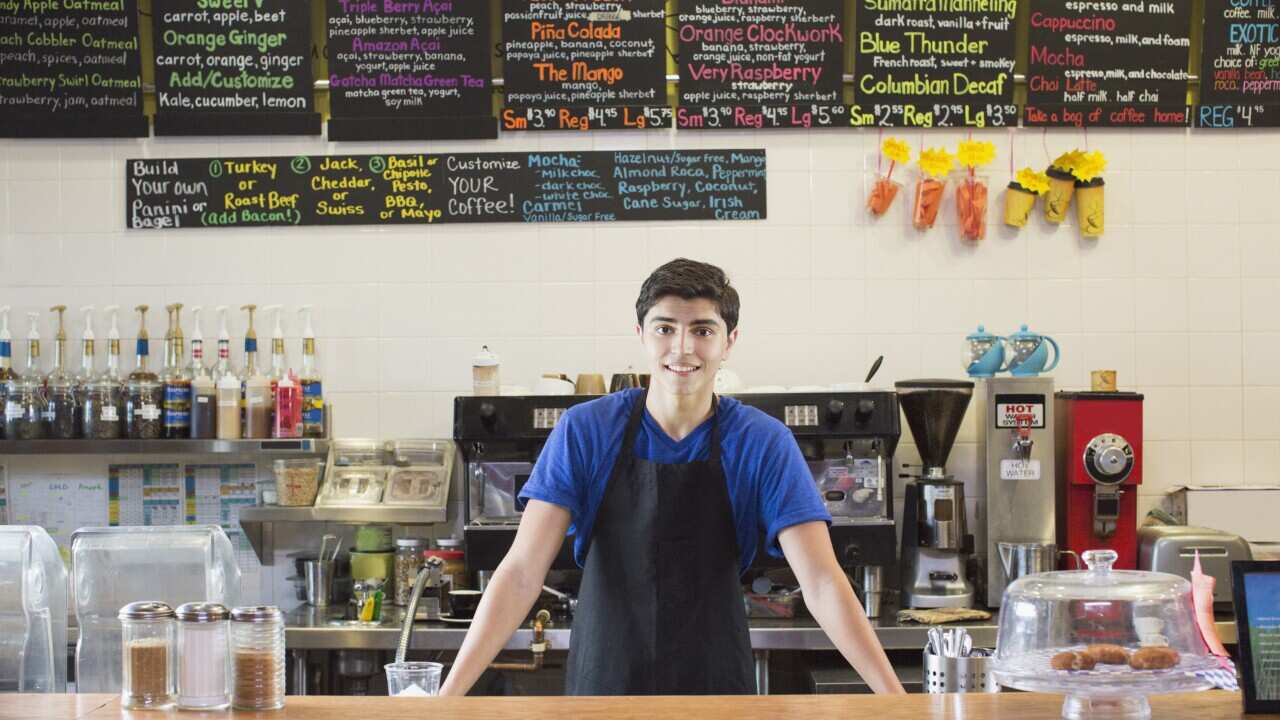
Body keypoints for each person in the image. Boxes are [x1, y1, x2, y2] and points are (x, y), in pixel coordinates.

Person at [439, 258, 904, 696]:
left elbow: (822, 581)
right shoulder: (585, 430)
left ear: (729, 340)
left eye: (703, 330)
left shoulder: (763, 441)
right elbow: (522, 572)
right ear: (641, 334)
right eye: (666, 328)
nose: (683, 348)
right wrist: (447, 699)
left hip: (715, 686)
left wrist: (897, 702)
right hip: (606, 685)